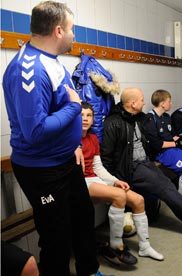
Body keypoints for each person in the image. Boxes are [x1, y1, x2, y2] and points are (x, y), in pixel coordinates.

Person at [2, 2, 108, 275]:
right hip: (43, 169)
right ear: (59, 30)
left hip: (64, 159)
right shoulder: (30, 70)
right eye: (72, 30)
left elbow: (55, 108)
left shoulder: (50, 60)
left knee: (82, 217)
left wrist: (73, 143)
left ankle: (88, 270)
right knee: (57, 238)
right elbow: (35, 131)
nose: (74, 36)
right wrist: (74, 108)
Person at [101, 87, 182, 240]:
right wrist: (114, 181)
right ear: (132, 103)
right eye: (142, 100)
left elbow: (154, 140)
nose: (144, 103)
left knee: (167, 185)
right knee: (164, 187)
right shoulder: (114, 123)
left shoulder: (140, 118)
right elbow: (107, 156)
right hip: (129, 167)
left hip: (144, 162)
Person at [81, 102, 163, 265]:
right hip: (80, 182)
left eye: (88, 115)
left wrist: (115, 180)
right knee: (119, 196)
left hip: (95, 179)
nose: (85, 119)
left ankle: (144, 246)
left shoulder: (92, 138)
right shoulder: (69, 140)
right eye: (81, 115)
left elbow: (98, 167)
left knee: (138, 200)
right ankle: (116, 244)